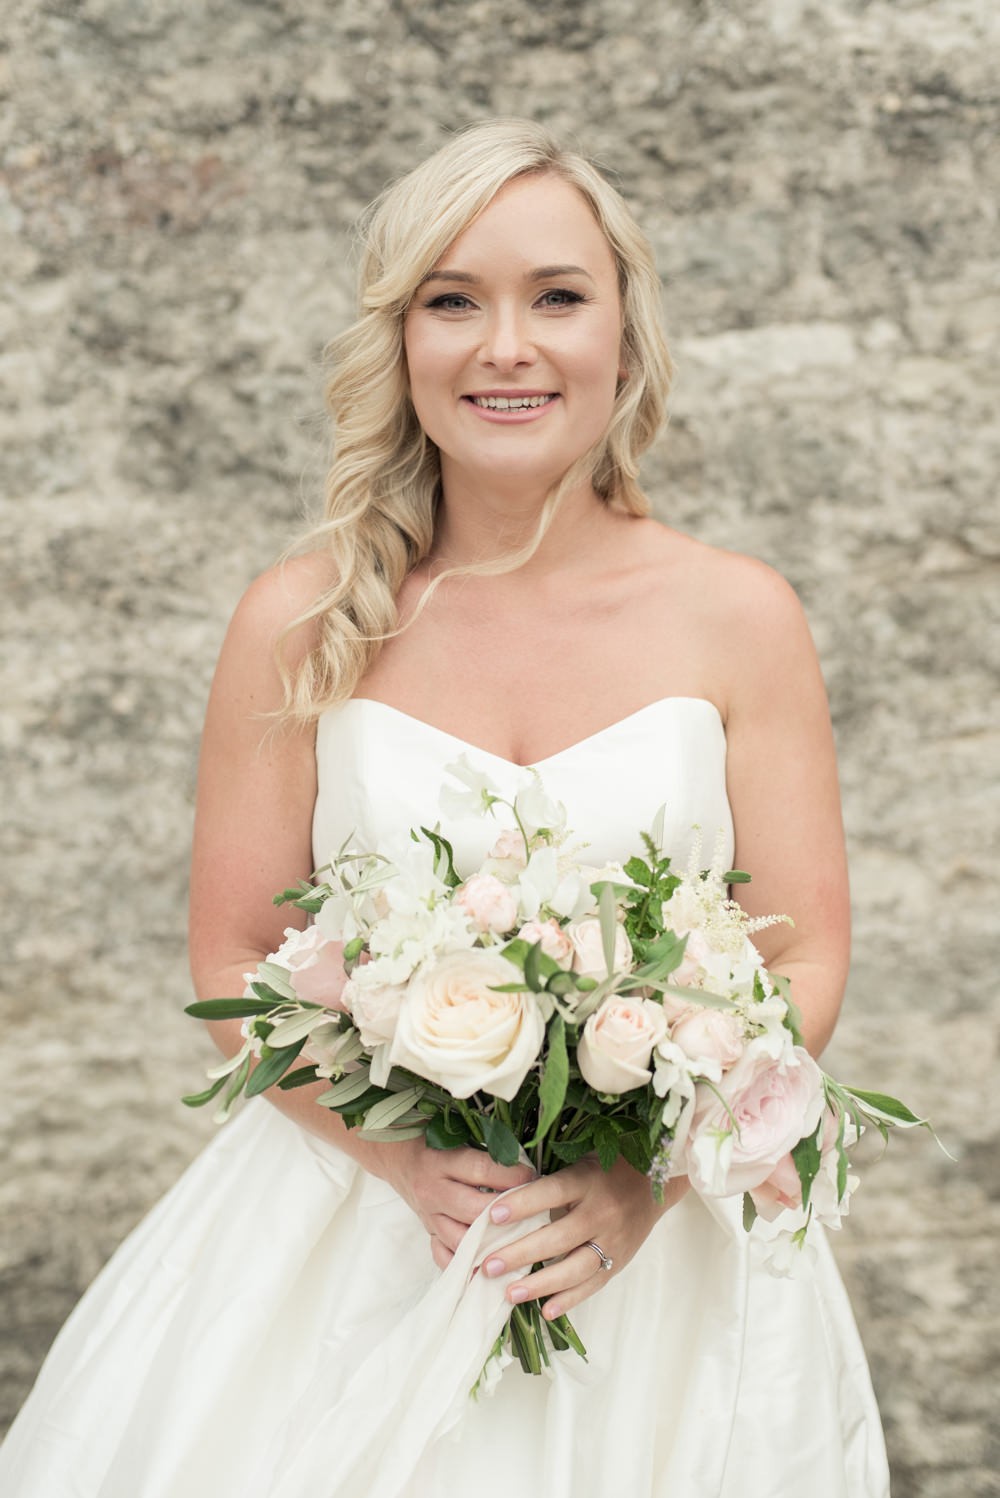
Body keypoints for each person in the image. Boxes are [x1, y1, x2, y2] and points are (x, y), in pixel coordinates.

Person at [0, 119, 890, 1497]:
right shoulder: (300, 619)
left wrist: (645, 1185)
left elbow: (804, 957)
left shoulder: (739, 615)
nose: (506, 347)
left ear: (625, 332)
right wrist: (407, 1161)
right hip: (358, 1237)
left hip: (655, 1263)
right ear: (401, 340)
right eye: (452, 300)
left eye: (556, 296)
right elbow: (233, 958)